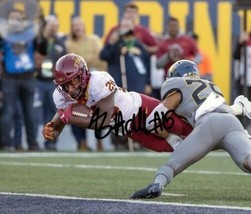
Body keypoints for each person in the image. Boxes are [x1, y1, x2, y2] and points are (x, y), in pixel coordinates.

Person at [130, 60, 251, 199]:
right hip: (232, 123)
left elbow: (152, 122)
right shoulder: (210, 85)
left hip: (209, 124)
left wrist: (171, 137)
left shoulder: (177, 86)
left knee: (172, 165)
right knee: (247, 161)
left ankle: (157, 185)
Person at [42, 53, 194, 153]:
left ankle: (214, 137)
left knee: (183, 128)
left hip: (141, 107)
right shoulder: (61, 95)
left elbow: (102, 121)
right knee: (172, 148)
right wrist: (55, 129)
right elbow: (62, 112)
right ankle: (206, 147)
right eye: (65, 85)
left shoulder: (99, 81)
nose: (70, 89)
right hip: (127, 128)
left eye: (73, 81)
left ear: (82, 75)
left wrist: (68, 116)